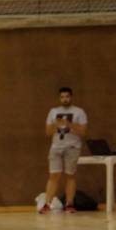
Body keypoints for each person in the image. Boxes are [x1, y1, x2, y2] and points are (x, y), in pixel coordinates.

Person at [41, 86, 88, 214]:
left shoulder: (79, 112)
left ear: (71, 97)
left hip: (72, 147)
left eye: (67, 96)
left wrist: (69, 124)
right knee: (53, 175)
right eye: (62, 97)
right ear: (59, 98)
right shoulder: (53, 111)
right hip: (56, 147)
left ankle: (70, 204)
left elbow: (83, 131)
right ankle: (47, 204)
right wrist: (55, 124)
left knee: (70, 175)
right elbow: (47, 132)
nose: (65, 99)